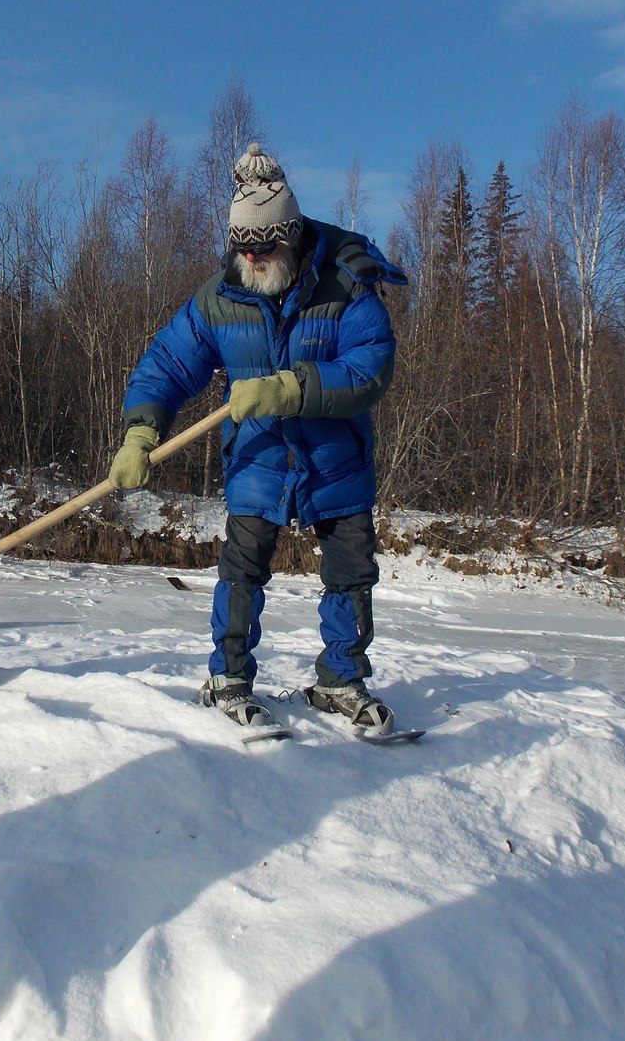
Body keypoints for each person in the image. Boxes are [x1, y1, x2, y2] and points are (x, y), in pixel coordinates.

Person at [107, 143, 407, 734]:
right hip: (258, 461)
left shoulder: (345, 284)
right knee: (241, 569)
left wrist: (291, 389)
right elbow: (168, 364)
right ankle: (229, 678)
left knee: (351, 572)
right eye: (242, 246)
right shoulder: (220, 299)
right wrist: (141, 430)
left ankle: (340, 680)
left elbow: (372, 365)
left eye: (264, 246)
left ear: (290, 236)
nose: (252, 256)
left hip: (335, 460)